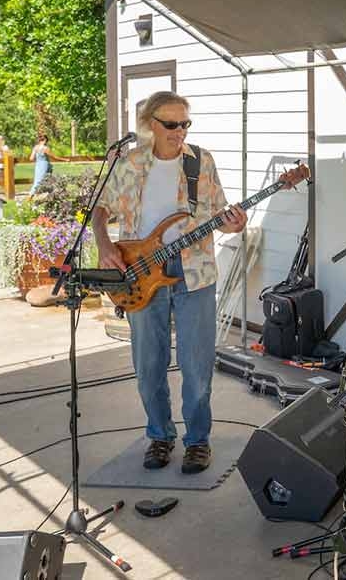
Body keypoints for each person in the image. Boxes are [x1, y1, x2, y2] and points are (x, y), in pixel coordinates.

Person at [93, 91, 247, 473]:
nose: (180, 132)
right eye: (171, 125)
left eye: (185, 124)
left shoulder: (202, 161)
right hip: (140, 272)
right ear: (150, 124)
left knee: (196, 364)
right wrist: (103, 244)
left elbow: (218, 212)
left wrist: (233, 223)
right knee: (149, 364)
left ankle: (198, 441)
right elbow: (99, 209)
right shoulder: (128, 164)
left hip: (194, 271)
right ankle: (159, 436)